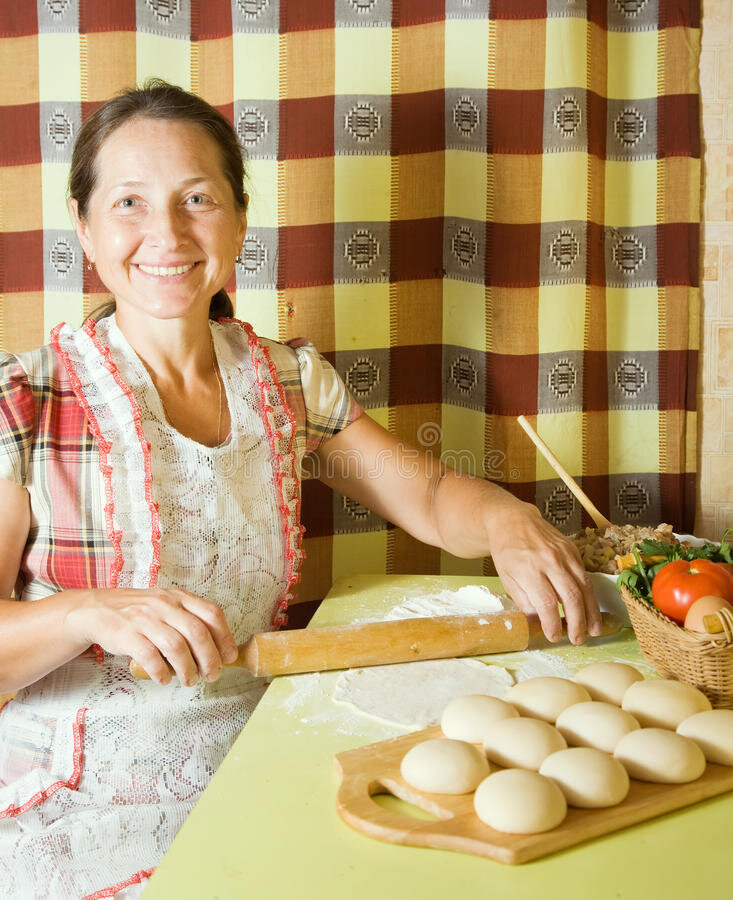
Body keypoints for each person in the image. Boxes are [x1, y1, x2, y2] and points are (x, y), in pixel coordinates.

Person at [0, 79, 600, 898]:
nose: (166, 234)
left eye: (197, 199)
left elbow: (419, 496)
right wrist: (86, 610)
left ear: (239, 221)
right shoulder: (26, 404)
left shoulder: (286, 382)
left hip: (263, 755)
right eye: (130, 203)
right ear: (86, 230)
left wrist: (505, 518)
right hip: (80, 800)